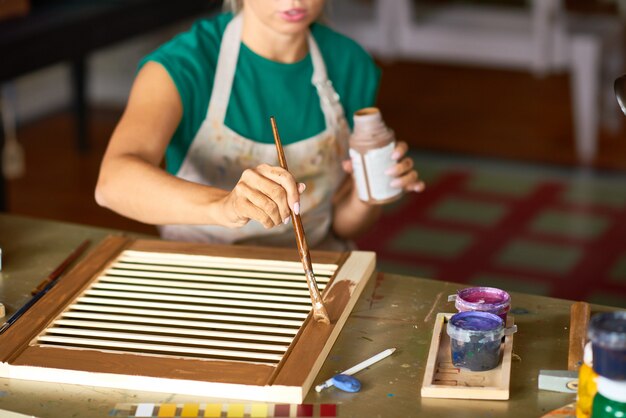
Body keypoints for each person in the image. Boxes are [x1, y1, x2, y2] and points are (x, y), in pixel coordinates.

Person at [95, 0, 424, 251]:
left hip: (312, 271)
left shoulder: (350, 63)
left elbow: (341, 226)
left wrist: (367, 192)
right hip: (201, 268)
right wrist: (225, 206)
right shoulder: (183, 64)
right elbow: (113, 184)